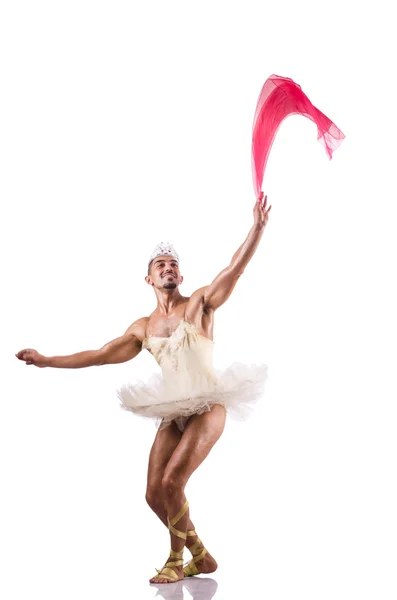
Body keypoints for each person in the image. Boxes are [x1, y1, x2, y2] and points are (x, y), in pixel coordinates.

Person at [16, 192, 272, 584]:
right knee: (154, 493)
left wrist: (256, 228)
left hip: (208, 405)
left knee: (173, 483)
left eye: (174, 264)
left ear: (181, 276)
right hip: (172, 409)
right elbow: (100, 354)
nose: (168, 268)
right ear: (149, 278)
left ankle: (174, 560)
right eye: (160, 264)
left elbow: (233, 270)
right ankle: (200, 555)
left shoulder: (199, 303)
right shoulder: (142, 327)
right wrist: (48, 360)